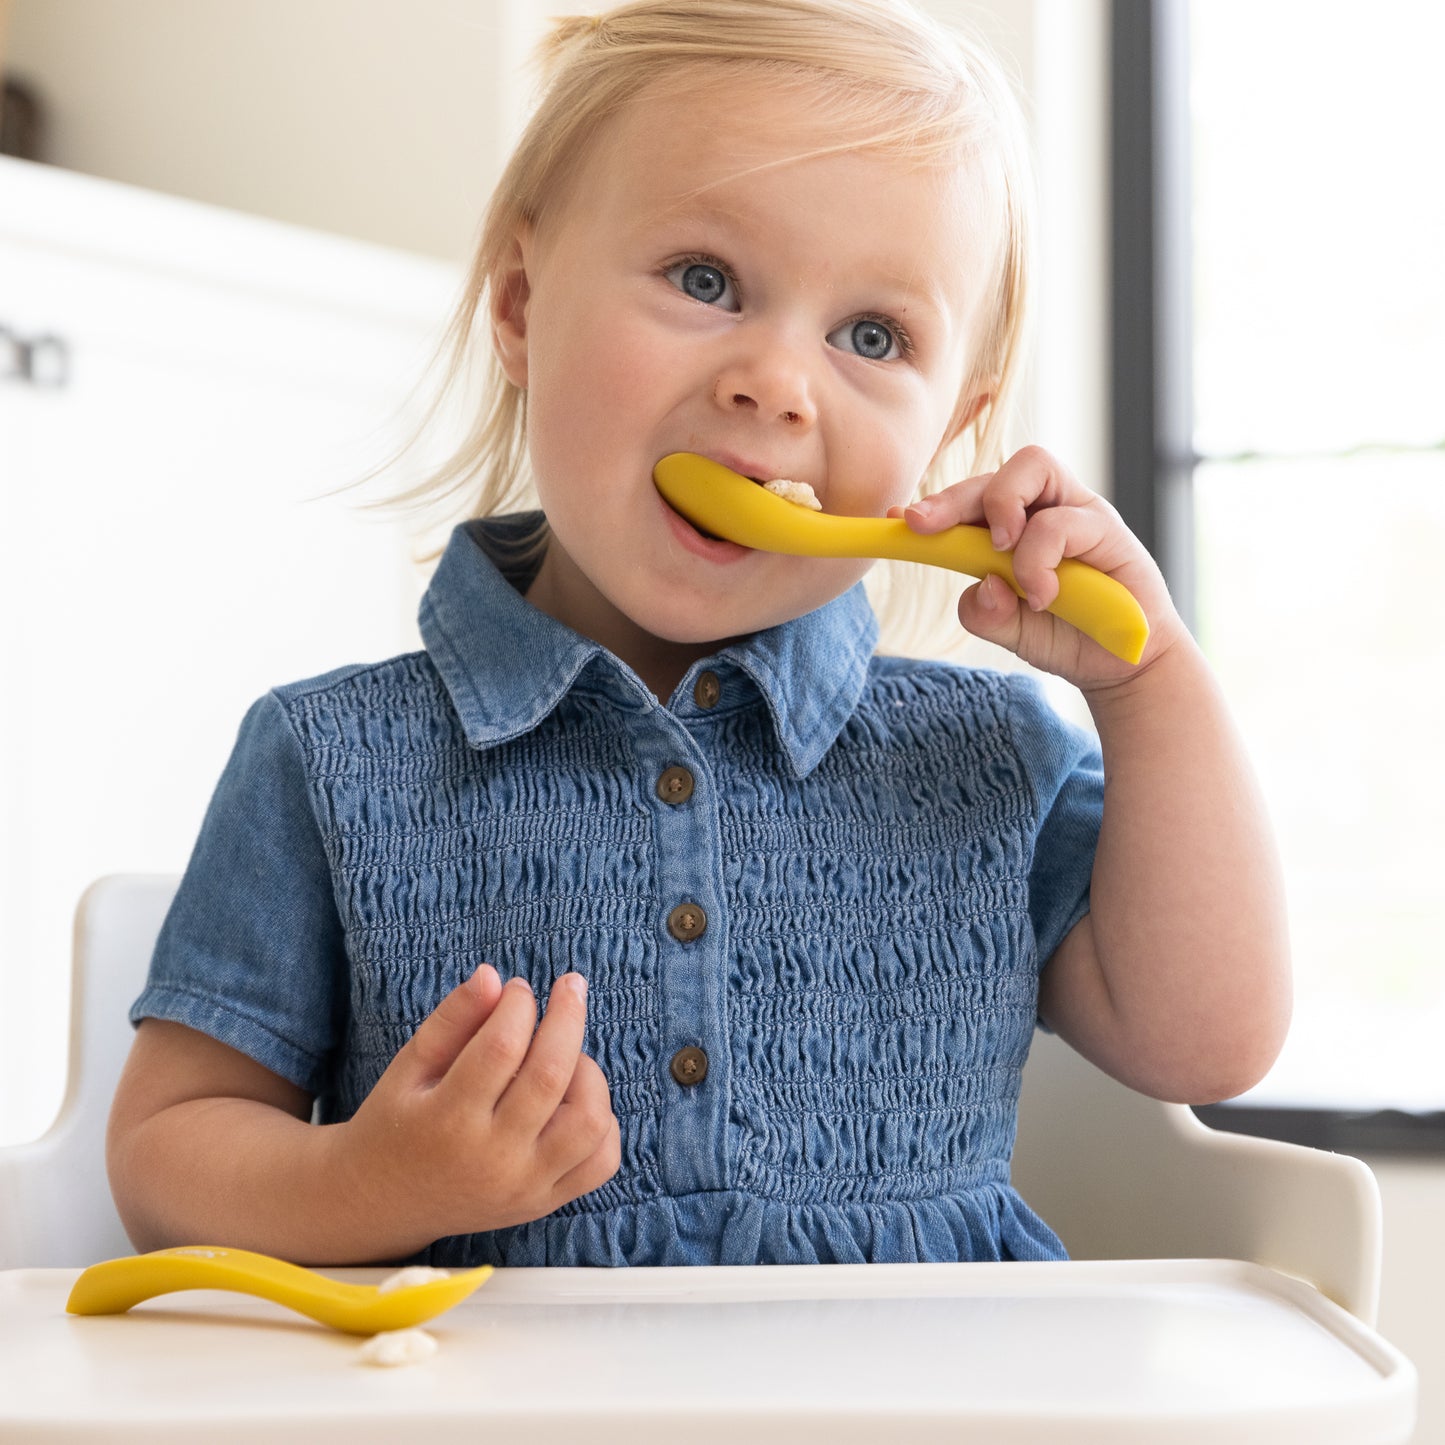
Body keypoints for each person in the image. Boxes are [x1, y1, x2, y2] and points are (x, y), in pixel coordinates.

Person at [107, 0, 1290, 1268]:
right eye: (704, 280)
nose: (776, 381)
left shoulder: (991, 754)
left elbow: (1206, 1039)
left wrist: (1151, 684)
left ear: (950, 430)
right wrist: (368, 1177)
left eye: (871, 336)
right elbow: (167, 1151)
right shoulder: (328, 759)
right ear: (519, 308)